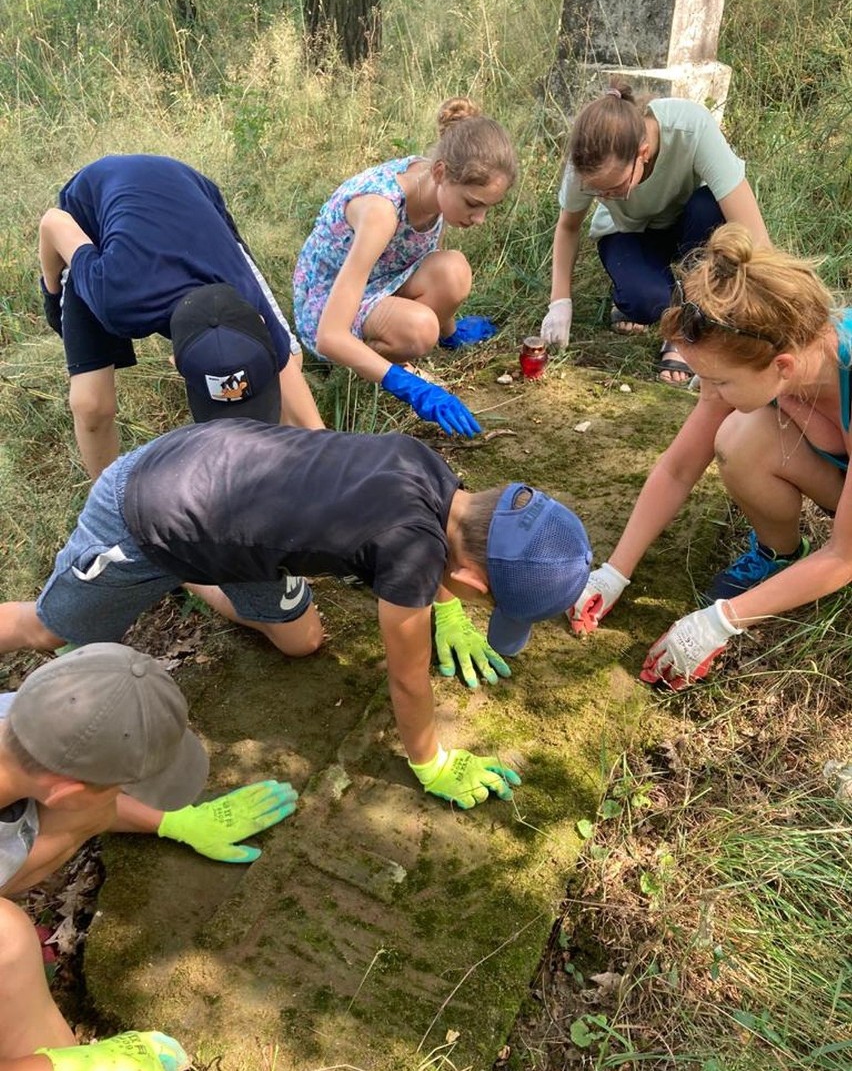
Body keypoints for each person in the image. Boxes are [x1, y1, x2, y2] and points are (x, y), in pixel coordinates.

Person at [0, 420, 592, 808]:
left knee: (300, 640)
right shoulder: (413, 555)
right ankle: (169, 564)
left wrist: (447, 612)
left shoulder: (433, 472)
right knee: (49, 631)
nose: (471, 607)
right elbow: (408, 679)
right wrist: (431, 762)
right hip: (146, 509)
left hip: (227, 488)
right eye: (481, 602)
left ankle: (185, 569)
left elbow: (425, 547)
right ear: (466, 579)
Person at [0, 642, 298, 1071]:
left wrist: (173, 822)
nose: (126, 794)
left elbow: (79, 797)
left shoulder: (16, 722)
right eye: (121, 786)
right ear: (64, 789)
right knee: (9, 942)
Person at [567, 223, 851, 690]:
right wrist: (614, 571)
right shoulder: (758, 348)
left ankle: (785, 585)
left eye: (719, 382)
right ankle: (780, 557)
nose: (707, 390)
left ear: (781, 367)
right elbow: (679, 469)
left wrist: (722, 621)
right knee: (740, 438)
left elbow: (844, 555)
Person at [39, 154, 324, 479]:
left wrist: (326, 470)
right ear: (175, 363)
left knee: (290, 365)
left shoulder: (244, 299)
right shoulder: (114, 295)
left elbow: (308, 421)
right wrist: (52, 293)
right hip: (93, 223)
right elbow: (53, 221)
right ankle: (110, 504)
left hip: (191, 192)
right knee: (92, 406)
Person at [292, 98, 517, 437]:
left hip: (379, 283)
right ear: (441, 173)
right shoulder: (382, 210)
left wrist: (450, 331)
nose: (480, 219)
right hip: (326, 305)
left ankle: (401, 344)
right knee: (420, 328)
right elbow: (329, 335)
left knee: (454, 270)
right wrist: (408, 385)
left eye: (488, 208)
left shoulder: (434, 184)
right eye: (473, 204)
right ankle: (368, 367)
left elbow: (419, 258)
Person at [540, 78, 770, 385]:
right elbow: (569, 226)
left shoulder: (691, 127)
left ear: (643, 152)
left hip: (692, 229)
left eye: (613, 188)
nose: (604, 197)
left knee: (709, 204)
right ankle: (645, 297)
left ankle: (687, 328)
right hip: (628, 233)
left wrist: (766, 318)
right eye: (597, 193)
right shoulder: (586, 158)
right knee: (645, 301)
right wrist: (560, 302)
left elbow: (753, 234)